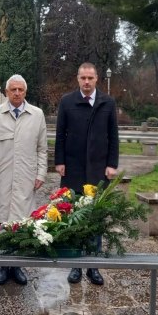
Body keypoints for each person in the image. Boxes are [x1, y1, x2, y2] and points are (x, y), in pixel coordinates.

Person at [54, 62, 119, 286]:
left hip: (98, 170)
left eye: (90, 78)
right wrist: (59, 161)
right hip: (73, 169)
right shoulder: (67, 102)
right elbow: (60, 134)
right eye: (83, 78)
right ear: (78, 79)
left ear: (97, 79)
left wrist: (112, 164)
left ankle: (93, 266)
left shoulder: (107, 103)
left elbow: (113, 136)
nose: (87, 82)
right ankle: (75, 266)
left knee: (95, 218)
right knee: (73, 217)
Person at [0, 74, 47, 286]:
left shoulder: (36, 115)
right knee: (1, 219)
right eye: (13, 90)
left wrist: (41, 174)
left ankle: (17, 265)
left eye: (20, 90)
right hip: (1, 176)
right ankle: (3, 265)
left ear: (25, 92)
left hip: (26, 176)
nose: (17, 93)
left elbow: (42, 148)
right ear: (6, 92)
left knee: (21, 221)